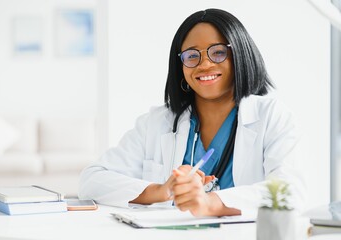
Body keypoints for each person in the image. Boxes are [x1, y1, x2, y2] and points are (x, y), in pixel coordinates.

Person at [78, 8, 306, 217]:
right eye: (192, 56)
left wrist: (211, 203)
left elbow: (289, 191)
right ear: (181, 66)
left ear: (240, 55)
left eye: (218, 52)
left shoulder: (270, 116)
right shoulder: (157, 123)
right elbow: (92, 180)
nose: (204, 64)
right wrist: (161, 190)